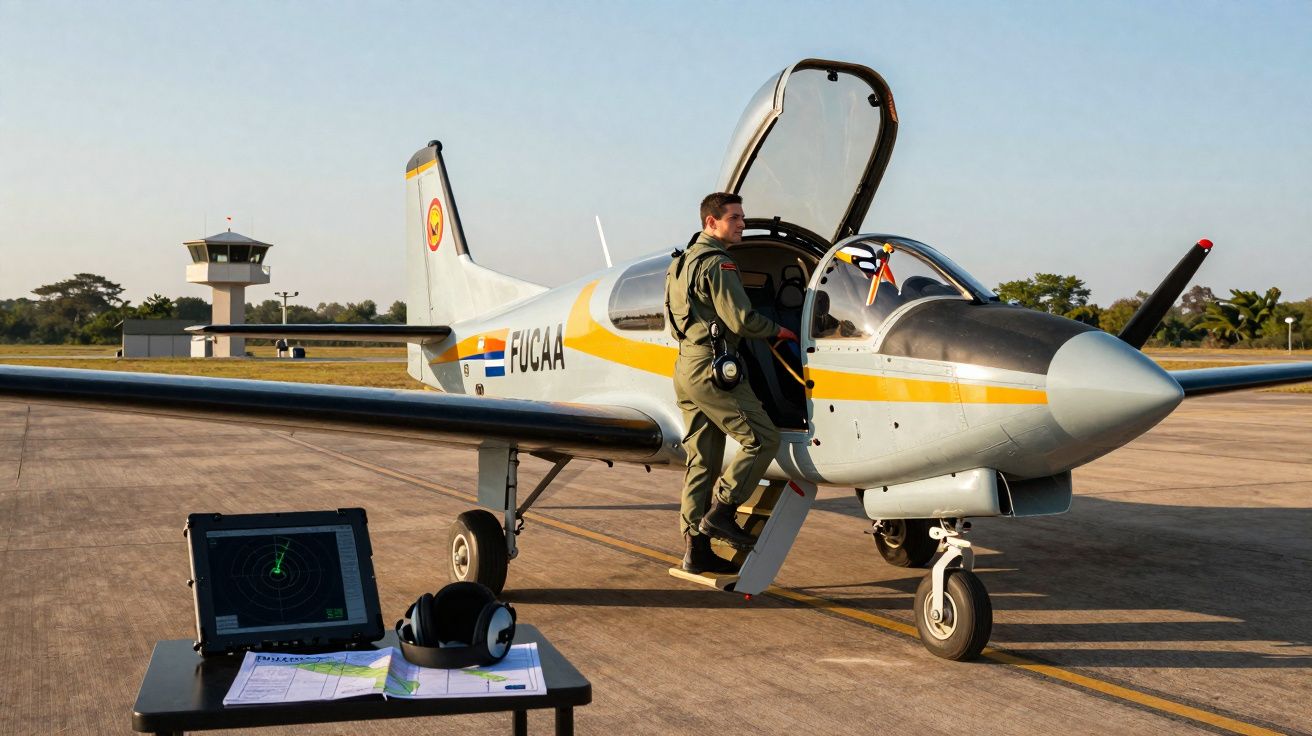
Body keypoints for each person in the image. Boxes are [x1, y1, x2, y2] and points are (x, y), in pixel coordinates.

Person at [665, 192, 798, 574]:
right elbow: (741, 320)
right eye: (735, 218)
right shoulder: (719, 264)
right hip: (713, 368)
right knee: (762, 439)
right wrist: (780, 330)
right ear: (712, 222)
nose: (742, 224)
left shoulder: (681, 263)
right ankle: (722, 512)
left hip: (687, 366)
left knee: (702, 462)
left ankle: (696, 550)